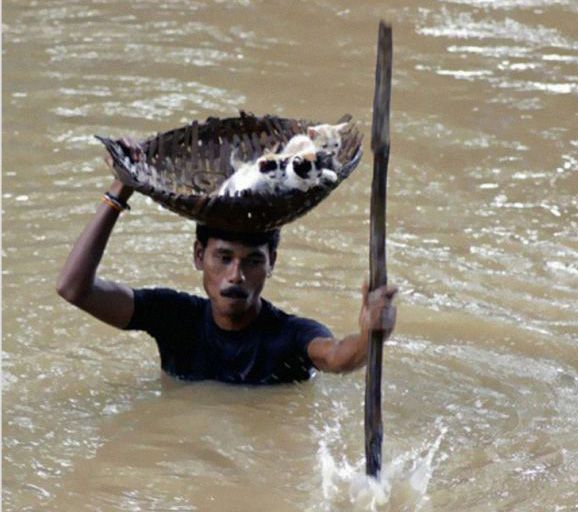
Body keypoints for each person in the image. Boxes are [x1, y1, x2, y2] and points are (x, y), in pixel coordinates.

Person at [56, 142, 398, 385]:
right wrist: (120, 190)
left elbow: (338, 357)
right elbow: (73, 288)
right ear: (198, 255)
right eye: (223, 258)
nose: (236, 276)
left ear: (272, 263)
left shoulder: (291, 336)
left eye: (252, 261)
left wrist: (371, 335)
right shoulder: (174, 319)